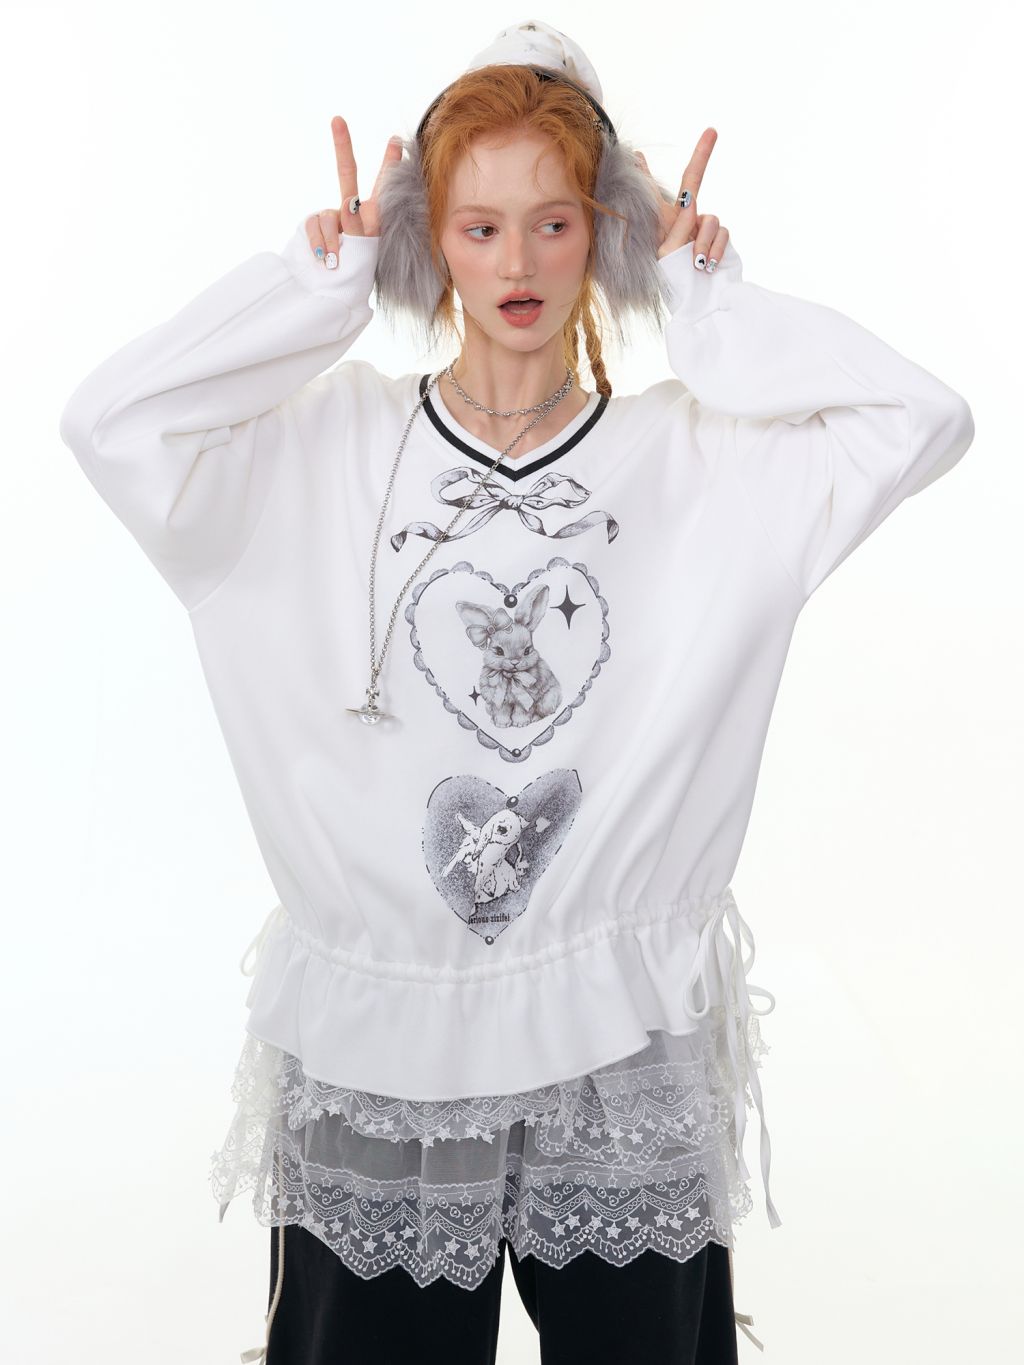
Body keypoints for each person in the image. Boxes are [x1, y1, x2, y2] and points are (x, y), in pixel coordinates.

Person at [58, 19, 975, 1365]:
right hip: (381, 1052)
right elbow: (108, 423)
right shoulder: (323, 447)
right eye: (478, 228)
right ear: (426, 240)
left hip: (619, 1044)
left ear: (606, 235)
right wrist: (314, 296)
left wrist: (708, 306)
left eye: (555, 224)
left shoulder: (703, 468)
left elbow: (923, 421)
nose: (519, 263)